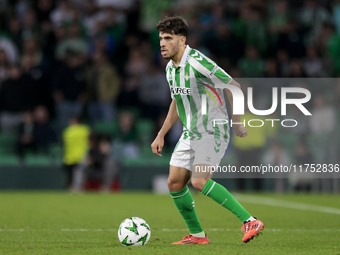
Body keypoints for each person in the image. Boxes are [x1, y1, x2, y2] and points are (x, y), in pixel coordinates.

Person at [151, 16, 264, 245]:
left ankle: (249, 220)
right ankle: (198, 235)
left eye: (168, 38)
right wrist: (161, 134)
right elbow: (177, 102)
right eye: (161, 38)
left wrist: (237, 121)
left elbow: (234, 86)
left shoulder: (198, 62)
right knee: (174, 183)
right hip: (190, 132)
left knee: (199, 180)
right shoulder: (170, 69)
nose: (162, 43)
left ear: (182, 40)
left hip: (213, 129)